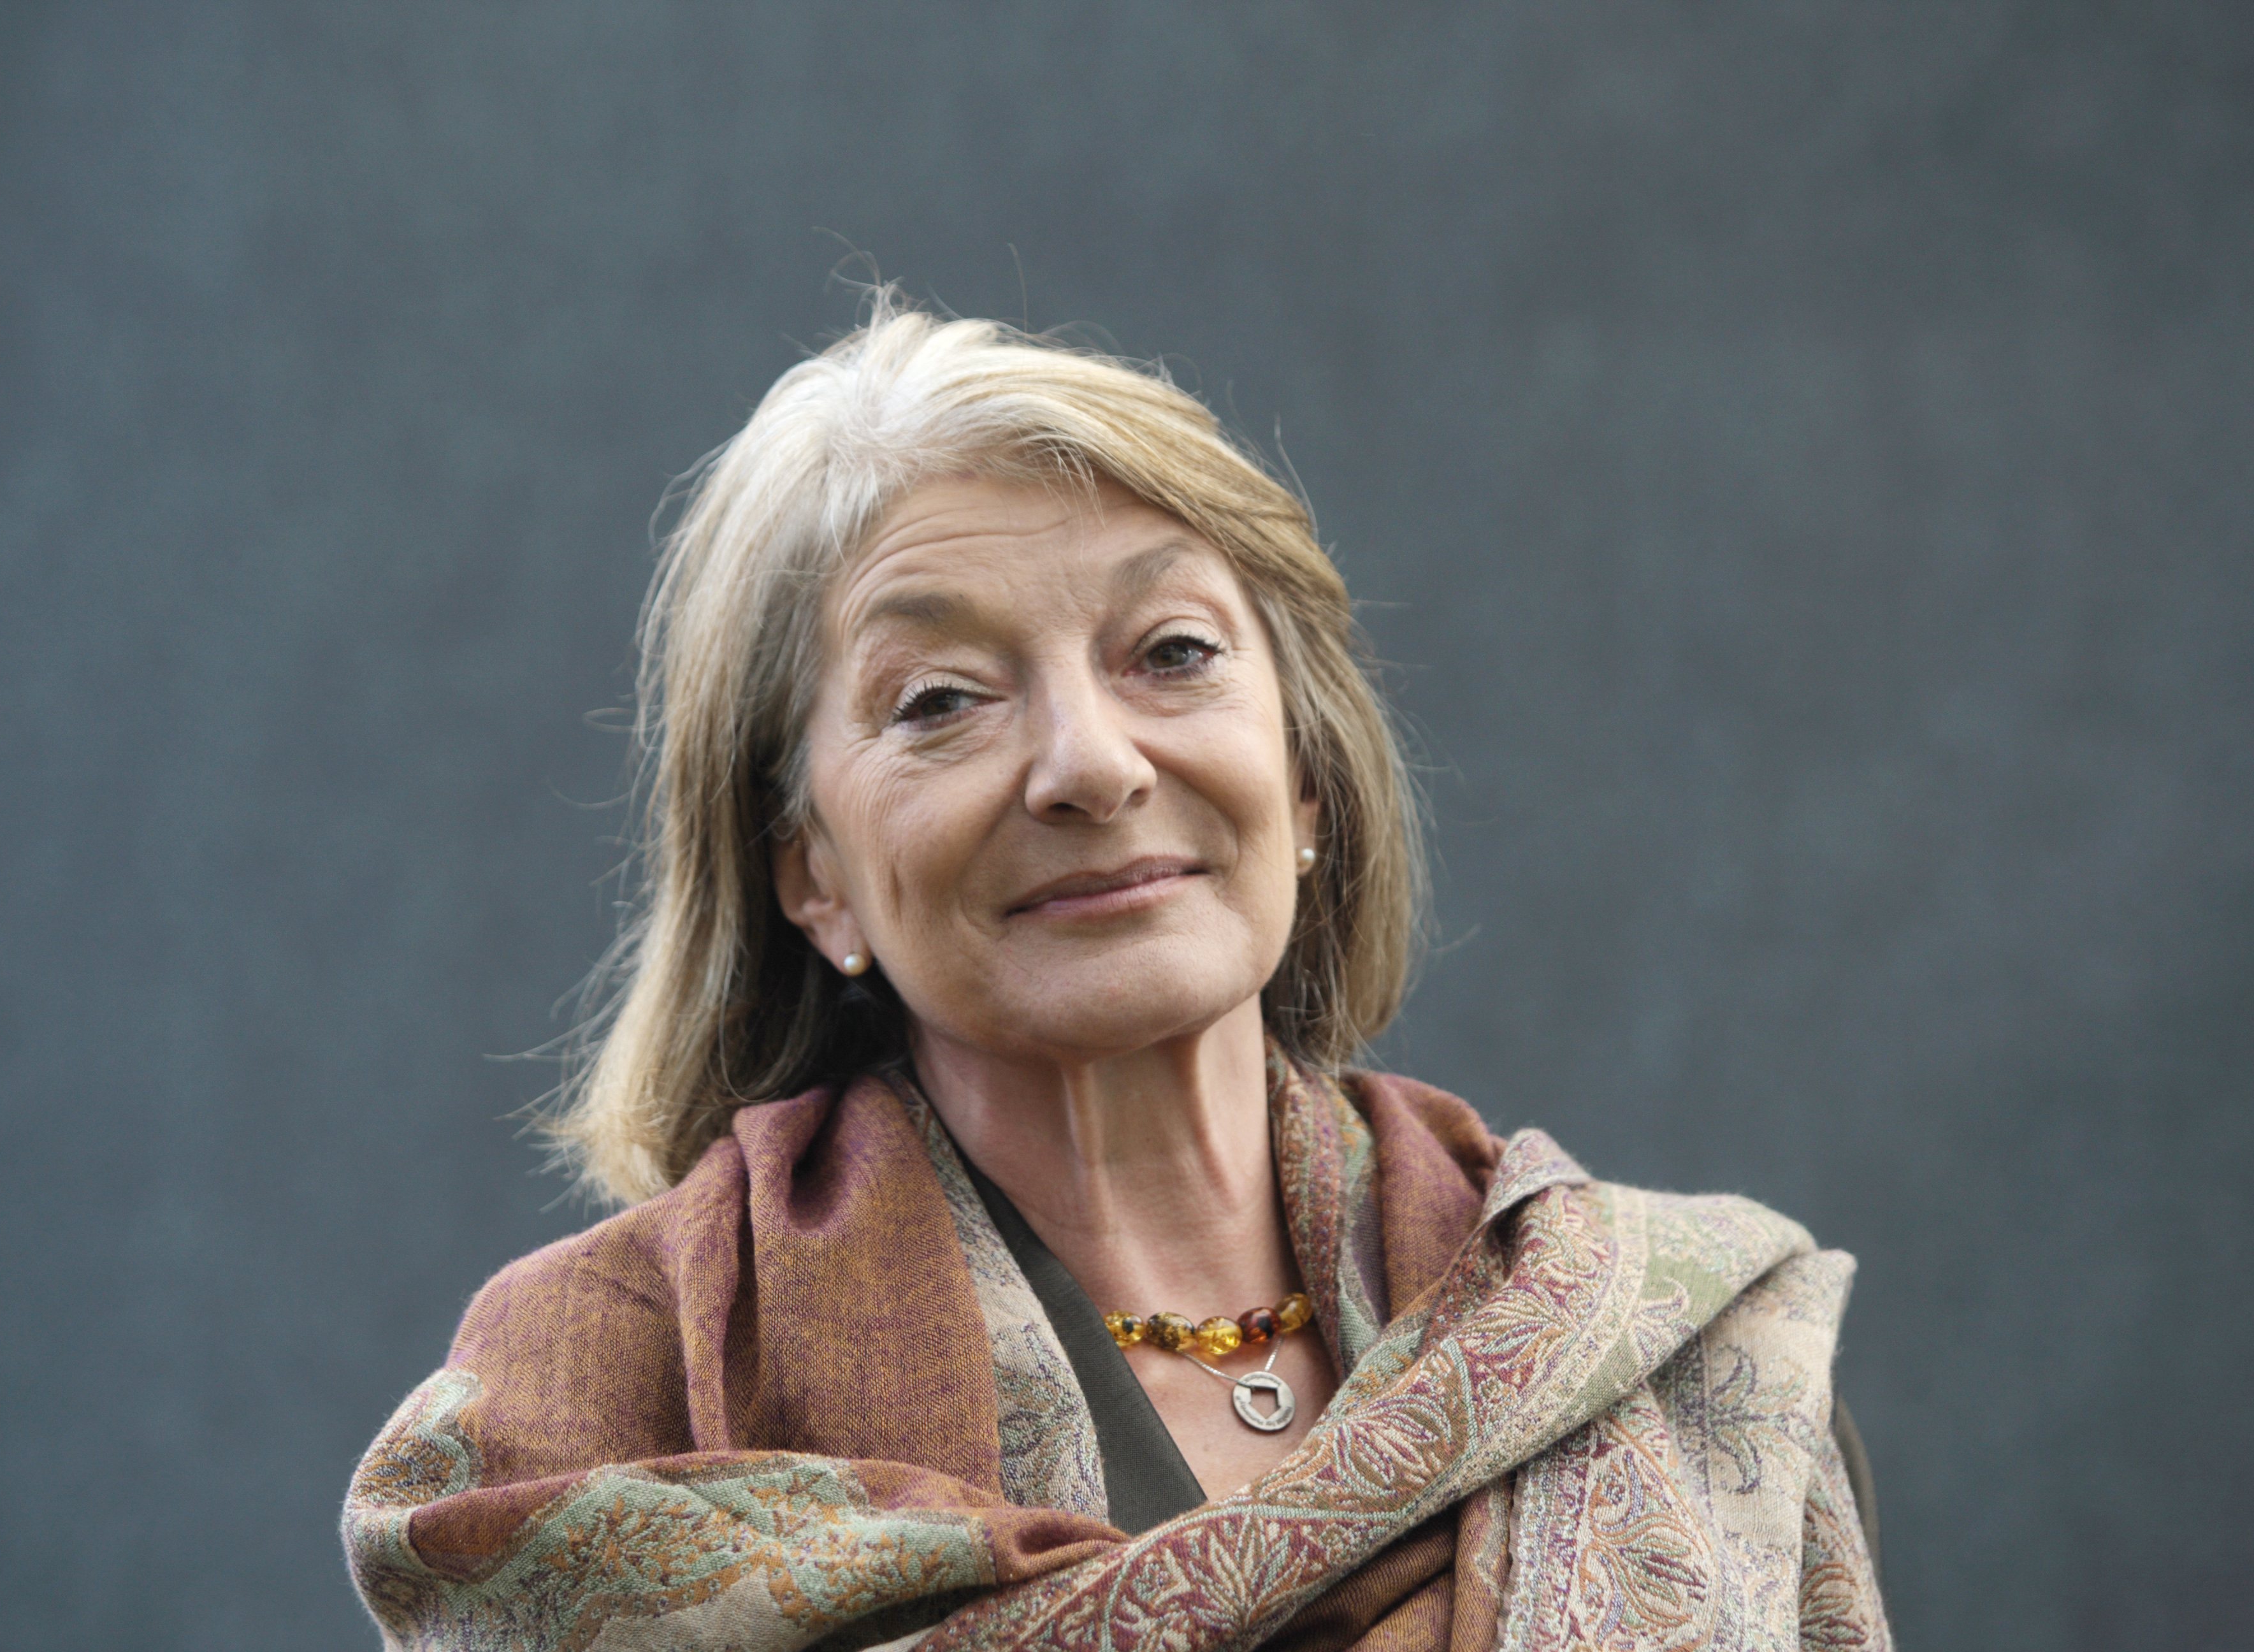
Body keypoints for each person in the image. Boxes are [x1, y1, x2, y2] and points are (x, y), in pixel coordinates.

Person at [342, 295, 1890, 1650]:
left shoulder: (1669, 1361)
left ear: (1305, 786)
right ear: (808, 870)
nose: (1091, 765)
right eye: (941, 699)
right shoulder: (604, 1397)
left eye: (1173, 654)